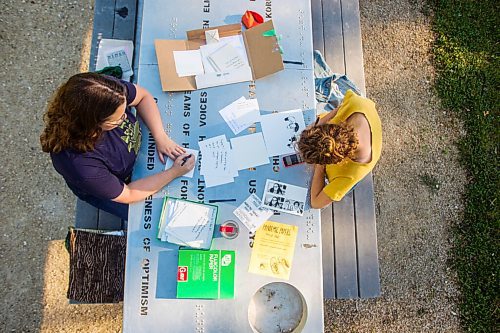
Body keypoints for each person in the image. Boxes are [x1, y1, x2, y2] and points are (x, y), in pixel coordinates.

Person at [40, 73, 195, 220]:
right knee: (156, 219)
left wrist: (160, 137)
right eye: (117, 119)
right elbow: (129, 194)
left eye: (125, 109)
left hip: (131, 163)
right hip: (118, 187)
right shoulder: (79, 165)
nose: (125, 116)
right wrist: (174, 172)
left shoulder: (106, 91)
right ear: (92, 123)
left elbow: (143, 97)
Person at [297, 89, 382, 208]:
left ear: (328, 162)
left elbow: (316, 202)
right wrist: (318, 124)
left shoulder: (350, 175)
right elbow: (337, 110)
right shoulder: (355, 103)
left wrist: (320, 168)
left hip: (345, 172)